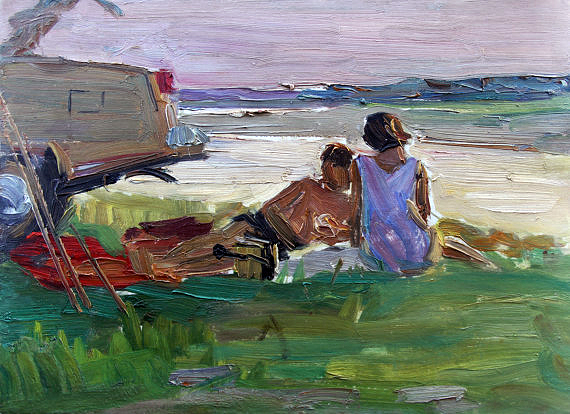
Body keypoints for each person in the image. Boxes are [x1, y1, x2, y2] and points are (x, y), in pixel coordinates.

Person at [122, 143, 355, 280]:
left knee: (225, 262)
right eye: (325, 168)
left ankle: (172, 271)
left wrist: (324, 231)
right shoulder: (307, 186)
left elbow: (341, 236)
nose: (325, 174)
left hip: (282, 245)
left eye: (330, 169)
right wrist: (294, 224)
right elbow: (271, 207)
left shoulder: (347, 204)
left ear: (341, 168)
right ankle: (164, 260)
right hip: (260, 225)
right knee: (217, 240)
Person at [350, 112, 491, 273]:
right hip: (417, 250)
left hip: (381, 248)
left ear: (371, 140)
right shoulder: (416, 166)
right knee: (445, 241)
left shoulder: (361, 164)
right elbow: (423, 211)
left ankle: (483, 263)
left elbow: (356, 210)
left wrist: (355, 245)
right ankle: (486, 264)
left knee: (443, 242)